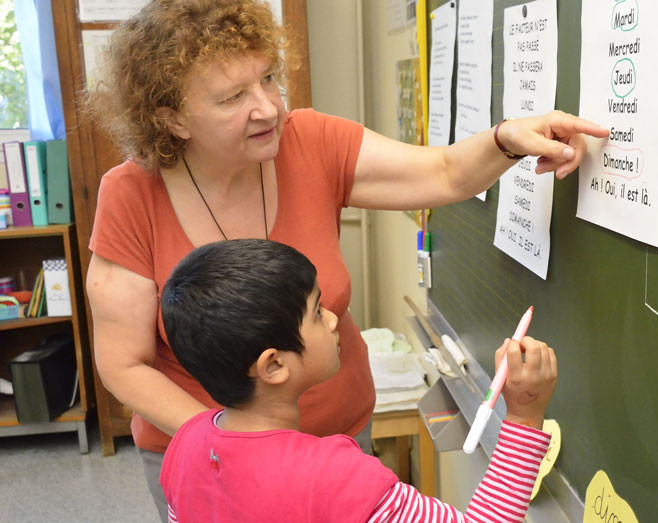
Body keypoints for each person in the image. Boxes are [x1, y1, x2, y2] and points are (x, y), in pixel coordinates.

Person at [82, 0, 605, 519]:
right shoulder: (130, 196)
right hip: (211, 460)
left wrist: (506, 139)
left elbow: (444, 173)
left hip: (335, 440)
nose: (267, 107)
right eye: (233, 97)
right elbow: (124, 363)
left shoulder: (309, 140)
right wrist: (245, 453)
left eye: (268, 78)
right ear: (171, 118)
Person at [159, 239, 558, 522]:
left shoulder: (186, 443)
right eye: (316, 313)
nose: (333, 319)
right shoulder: (337, 479)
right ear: (274, 365)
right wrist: (523, 416)